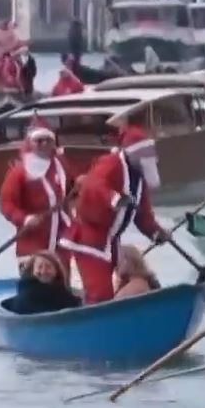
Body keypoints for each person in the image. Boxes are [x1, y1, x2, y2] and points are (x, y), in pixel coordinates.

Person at [61, 117, 170, 304]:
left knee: (125, 285)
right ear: (132, 153)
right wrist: (114, 198)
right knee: (100, 294)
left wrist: (155, 233)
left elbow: (143, 215)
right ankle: (96, 320)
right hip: (89, 242)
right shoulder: (111, 163)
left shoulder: (139, 178)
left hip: (110, 242)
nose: (149, 156)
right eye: (144, 151)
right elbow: (94, 184)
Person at [0, 124, 72, 271]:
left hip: (61, 241)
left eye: (48, 140)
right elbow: (6, 205)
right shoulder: (18, 173)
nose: (44, 144)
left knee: (62, 285)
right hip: (32, 242)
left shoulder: (61, 165)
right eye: (39, 141)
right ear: (30, 143)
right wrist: (24, 219)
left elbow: (72, 189)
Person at [0, 250, 80, 315]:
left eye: (48, 267)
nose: (44, 271)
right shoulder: (29, 291)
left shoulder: (61, 292)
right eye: (39, 267)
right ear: (32, 271)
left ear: (56, 271)